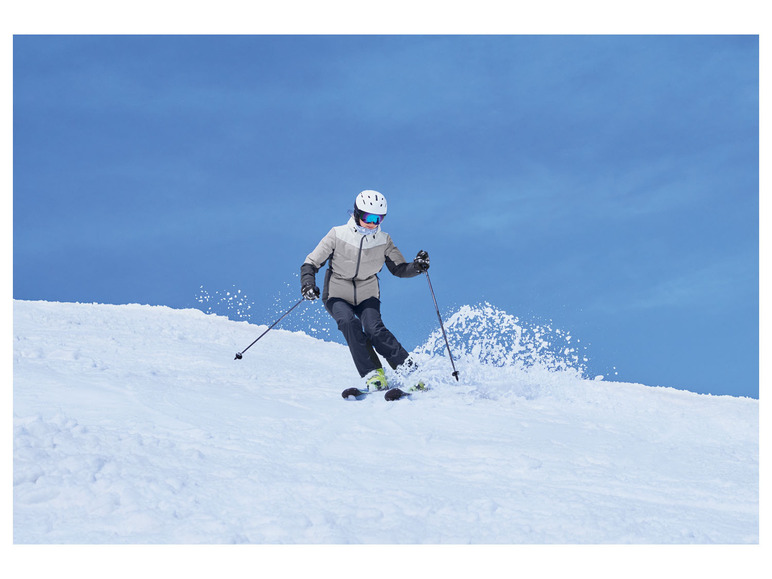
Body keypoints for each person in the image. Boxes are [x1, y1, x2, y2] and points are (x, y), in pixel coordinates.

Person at [300, 190, 430, 392]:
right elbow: (310, 263)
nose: (373, 223)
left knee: (374, 329)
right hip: (337, 292)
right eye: (369, 217)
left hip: (367, 292)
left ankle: (411, 373)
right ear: (357, 213)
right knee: (348, 323)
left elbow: (399, 268)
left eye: (379, 219)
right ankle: (373, 374)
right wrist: (308, 284)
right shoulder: (337, 234)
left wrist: (417, 267)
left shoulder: (384, 240)